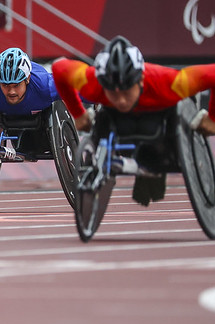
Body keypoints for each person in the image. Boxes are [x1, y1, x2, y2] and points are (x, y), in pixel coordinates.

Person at [52, 35, 215, 205]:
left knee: (170, 116)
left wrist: (212, 119)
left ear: (141, 80)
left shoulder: (170, 83)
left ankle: (153, 162)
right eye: (114, 93)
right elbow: (59, 68)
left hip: (161, 118)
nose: (121, 100)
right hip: (118, 121)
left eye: (127, 91)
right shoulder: (92, 83)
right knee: (104, 117)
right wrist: (78, 114)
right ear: (102, 84)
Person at [0, 47, 60, 158]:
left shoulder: (46, 86)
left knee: (34, 146)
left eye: (16, 85)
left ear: (27, 79)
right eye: (5, 85)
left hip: (41, 120)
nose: (11, 91)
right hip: (6, 114)